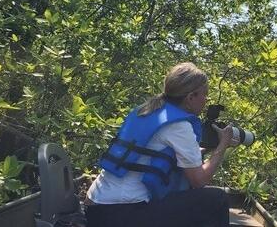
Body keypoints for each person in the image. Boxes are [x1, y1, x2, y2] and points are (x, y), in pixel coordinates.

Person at [85, 62, 235, 227]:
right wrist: (223, 144)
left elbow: (153, 153)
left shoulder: (145, 110)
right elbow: (198, 181)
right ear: (191, 97)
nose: (206, 100)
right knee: (217, 199)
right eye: (204, 95)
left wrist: (206, 149)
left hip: (96, 206)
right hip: (120, 213)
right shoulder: (179, 126)